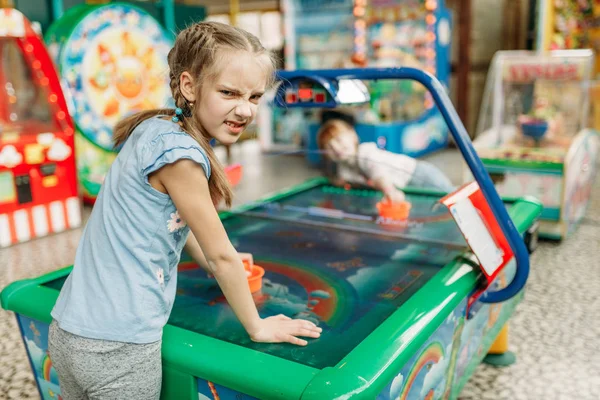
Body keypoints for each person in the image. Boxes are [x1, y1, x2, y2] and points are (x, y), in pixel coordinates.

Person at [48, 22, 322, 400]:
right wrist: (256, 325)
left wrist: (206, 263)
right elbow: (222, 255)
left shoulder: (155, 127)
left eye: (255, 96)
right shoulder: (182, 158)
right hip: (118, 345)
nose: (244, 109)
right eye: (228, 92)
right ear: (190, 86)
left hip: (68, 330)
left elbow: (172, 217)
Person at [317, 113, 454, 203]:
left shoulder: (365, 152)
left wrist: (389, 192)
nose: (336, 148)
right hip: (404, 185)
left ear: (353, 136)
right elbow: (348, 183)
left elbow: (377, 173)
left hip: (418, 174)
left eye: (339, 140)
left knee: (452, 197)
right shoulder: (343, 168)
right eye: (329, 146)